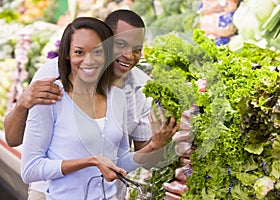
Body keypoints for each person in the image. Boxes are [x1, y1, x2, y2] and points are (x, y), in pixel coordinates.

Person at [21, 16, 177, 200]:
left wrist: (154, 145)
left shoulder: (118, 98)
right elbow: (30, 169)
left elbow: (119, 163)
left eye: (97, 52)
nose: (89, 61)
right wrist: (90, 161)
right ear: (67, 54)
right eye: (79, 52)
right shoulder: (51, 96)